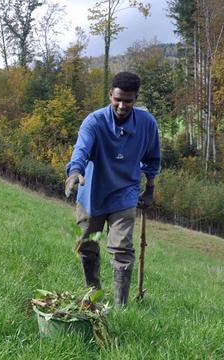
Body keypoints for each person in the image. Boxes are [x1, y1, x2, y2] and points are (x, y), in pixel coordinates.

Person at [64, 72, 160, 307]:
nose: (121, 105)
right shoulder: (94, 122)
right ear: (110, 95)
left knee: (121, 248)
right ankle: (93, 294)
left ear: (135, 99)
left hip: (124, 196)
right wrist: (75, 172)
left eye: (128, 100)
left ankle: (120, 306)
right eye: (117, 99)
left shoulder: (147, 124)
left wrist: (150, 189)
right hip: (92, 197)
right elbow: (81, 149)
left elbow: (152, 159)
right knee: (88, 244)